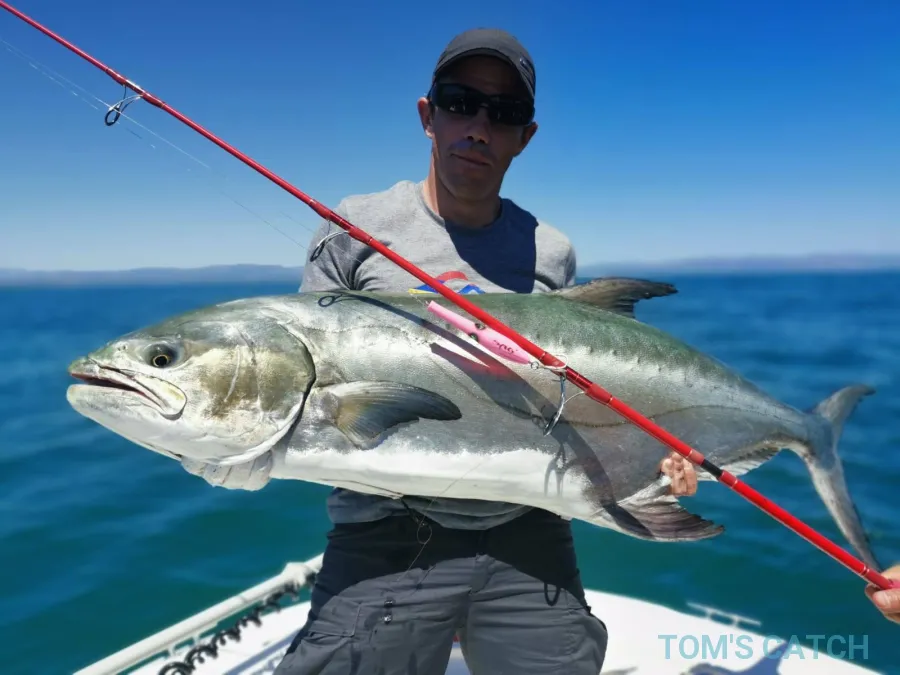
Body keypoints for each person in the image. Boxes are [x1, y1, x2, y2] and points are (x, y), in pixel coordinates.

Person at [183, 28, 699, 673]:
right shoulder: (356, 226)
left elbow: (568, 402)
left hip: (530, 522)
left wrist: (651, 461)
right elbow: (306, 377)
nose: (479, 127)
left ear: (524, 136)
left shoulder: (550, 251)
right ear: (429, 116)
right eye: (461, 103)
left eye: (503, 113)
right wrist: (243, 450)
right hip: (384, 527)